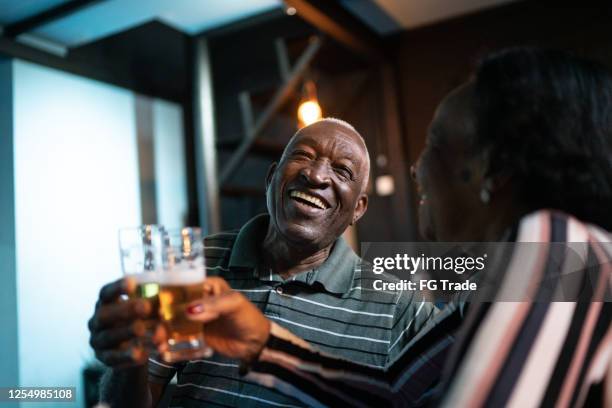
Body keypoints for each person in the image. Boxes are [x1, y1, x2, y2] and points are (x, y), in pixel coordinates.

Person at [186, 48, 612, 407]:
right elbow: (394, 395)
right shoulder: (489, 287)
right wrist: (260, 343)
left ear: (492, 171)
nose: (416, 168)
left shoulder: (558, 249)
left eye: (436, 146)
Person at [88, 118, 437, 407]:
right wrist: (126, 362)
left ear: (358, 209)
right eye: (303, 155)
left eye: (342, 171)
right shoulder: (195, 263)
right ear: (272, 178)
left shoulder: (397, 305)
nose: (316, 176)